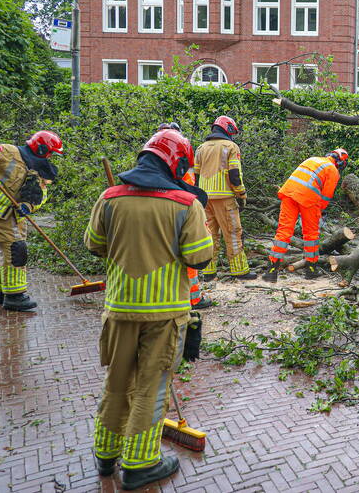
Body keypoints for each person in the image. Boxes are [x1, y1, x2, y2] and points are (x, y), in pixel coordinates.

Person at [85, 129, 213, 489]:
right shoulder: (187, 204)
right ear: (177, 162)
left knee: (116, 382)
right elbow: (199, 257)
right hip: (164, 313)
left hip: (119, 308)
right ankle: (141, 463)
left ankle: (105, 453)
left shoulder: (109, 197)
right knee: (151, 387)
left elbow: (94, 244)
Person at [0, 131, 62, 312]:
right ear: (41, 148)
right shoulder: (9, 152)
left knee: (8, 249)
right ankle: (15, 297)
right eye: (50, 152)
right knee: (15, 249)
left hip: (15, 214)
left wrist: (28, 206)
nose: (51, 157)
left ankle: (0, 292)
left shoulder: (41, 168)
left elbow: (41, 195)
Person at [269, 149, 348, 278]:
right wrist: (319, 210)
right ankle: (311, 269)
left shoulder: (312, 159)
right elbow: (326, 197)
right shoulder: (332, 170)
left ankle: (272, 268)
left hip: (289, 194)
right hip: (309, 199)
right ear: (341, 163)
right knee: (311, 234)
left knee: (283, 231)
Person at [157, 123, 210, 310]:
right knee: (190, 252)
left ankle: (172, 297)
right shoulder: (181, 155)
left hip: (164, 210)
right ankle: (193, 298)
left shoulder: (154, 156)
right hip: (183, 207)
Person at [193, 116, 253, 280]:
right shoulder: (231, 146)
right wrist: (241, 194)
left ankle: (208, 272)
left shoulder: (200, 148)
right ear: (229, 129)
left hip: (204, 199)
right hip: (225, 198)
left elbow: (195, 176)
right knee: (233, 234)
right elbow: (234, 174)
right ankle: (239, 270)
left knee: (209, 235)